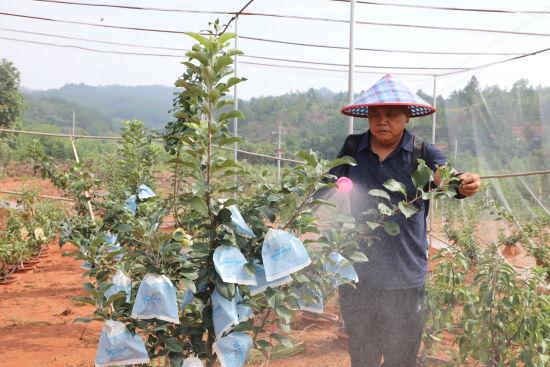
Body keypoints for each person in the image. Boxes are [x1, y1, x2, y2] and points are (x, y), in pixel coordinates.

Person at [333, 75, 480, 367]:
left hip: (405, 275)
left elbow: (446, 177)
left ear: (407, 117)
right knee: (362, 356)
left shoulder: (421, 152)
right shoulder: (352, 148)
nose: (381, 121)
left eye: (390, 115)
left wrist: (463, 182)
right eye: (375, 115)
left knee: (401, 357)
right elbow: (327, 182)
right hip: (359, 275)